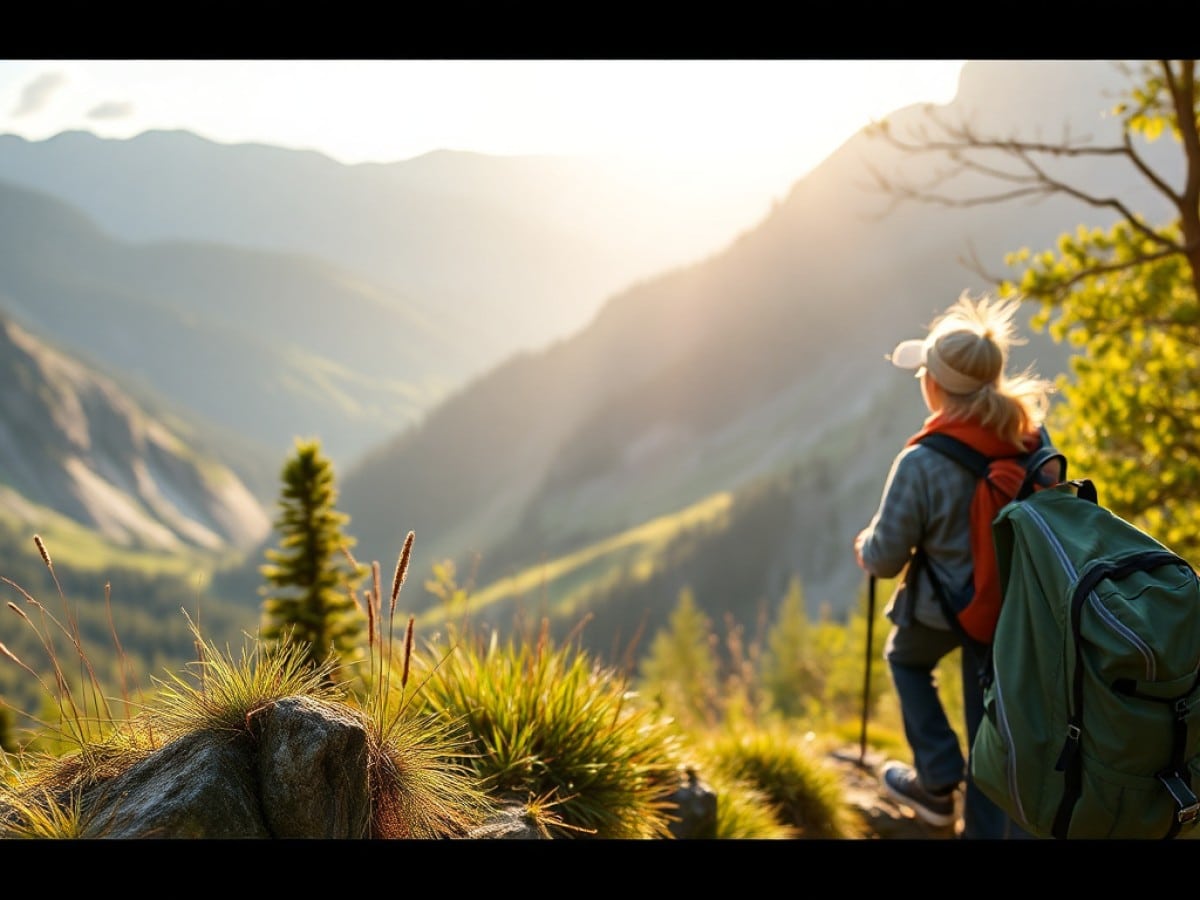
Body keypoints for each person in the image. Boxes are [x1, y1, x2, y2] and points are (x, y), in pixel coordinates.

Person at [853, 291, 1055, 839]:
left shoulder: (921, 461)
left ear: (935, 386)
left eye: (924, 372)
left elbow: (884, 558)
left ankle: (938, 782)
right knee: (991, 723)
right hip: (1020, 608)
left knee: (905, 658)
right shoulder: (1033, 438)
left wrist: (866, 545)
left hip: (947, 611)